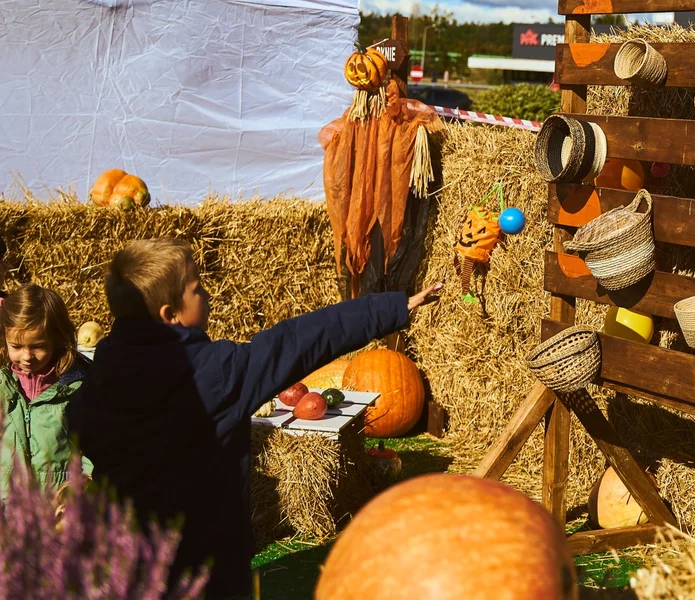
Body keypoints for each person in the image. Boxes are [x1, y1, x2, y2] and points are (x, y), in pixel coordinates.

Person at [66, 238, 441, 599]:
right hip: (205, 565)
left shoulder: (105, 372)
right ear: (171, 315)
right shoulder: (215, 374)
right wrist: (390, 309)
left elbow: (78, 419)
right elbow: (300, 341)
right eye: (197, 290)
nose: (208, 296)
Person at [0, 284, 93, 498]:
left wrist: (81, 489)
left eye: (38, 346)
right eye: (16, 346)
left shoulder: (76, 390)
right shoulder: (3, 386)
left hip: (56, 506)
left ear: (57, 339)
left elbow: (94, 447)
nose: (26, 356)